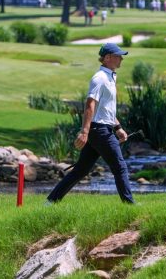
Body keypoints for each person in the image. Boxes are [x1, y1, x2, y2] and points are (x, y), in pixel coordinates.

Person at [46, 43, 135, 205]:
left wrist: (118, 127)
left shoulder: (110, 77)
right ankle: (129, 205)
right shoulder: (99, 78)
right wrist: (84, 132)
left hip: (102, 129)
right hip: (100, 131)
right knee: (120, 167)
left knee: (81, 170)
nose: (121, 59)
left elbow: (106, 109)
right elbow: (90, 105)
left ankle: (50, 202)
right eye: (118, 56)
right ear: (107, 58)